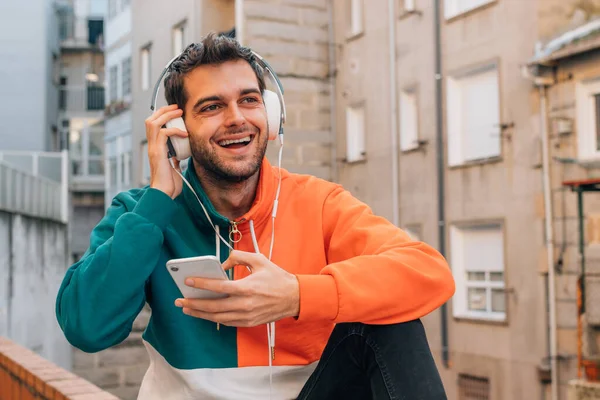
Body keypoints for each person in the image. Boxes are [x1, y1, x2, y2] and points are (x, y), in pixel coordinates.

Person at [55, 32, 455, 400]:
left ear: (272, 114)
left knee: (392, 320)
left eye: (249, 100)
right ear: (177, 130)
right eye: (212, 107)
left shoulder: (318, 202)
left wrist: (298, 296)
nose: (237, 118)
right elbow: (85, 328)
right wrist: (159, 200)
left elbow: (429, 272)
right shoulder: (141, 212)